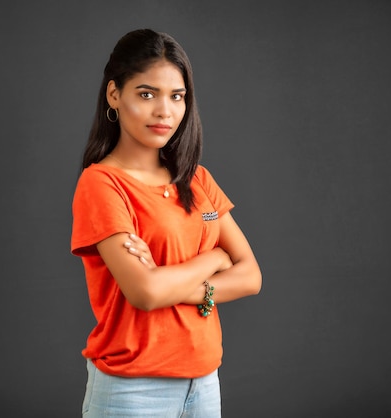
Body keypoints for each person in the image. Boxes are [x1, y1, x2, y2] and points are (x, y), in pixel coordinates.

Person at [70, 28, 262, 417]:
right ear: (114, 95)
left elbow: (251, 277)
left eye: (177, 96)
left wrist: (171, 281)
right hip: (133, 390)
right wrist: (213, 259)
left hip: (204, 383)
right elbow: (145, 294)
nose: (165, 111)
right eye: (146, 94)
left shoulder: (197, 179)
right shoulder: (102, 183)